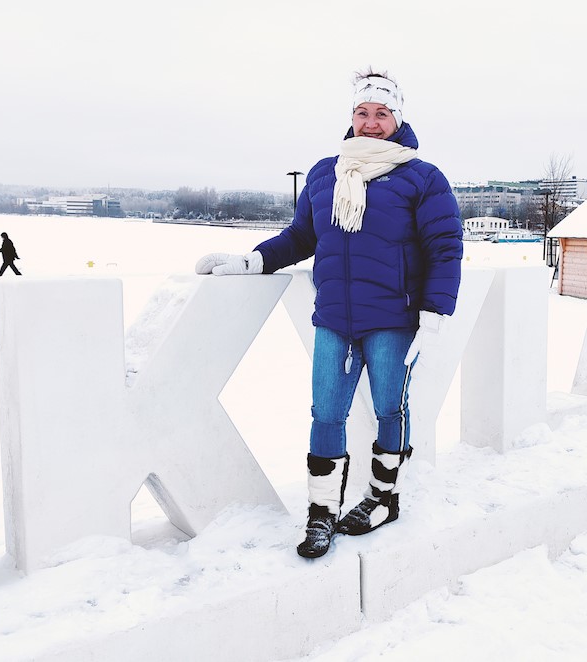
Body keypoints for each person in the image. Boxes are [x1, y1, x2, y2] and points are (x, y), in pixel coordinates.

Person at [196, 68, 463, 559]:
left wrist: (434, 310)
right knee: (326, 413)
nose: (371, 122)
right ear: (351, 118)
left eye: (382, 113)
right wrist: (253, 260)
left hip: (394, 318)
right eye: (362, 112)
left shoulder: (421, 177)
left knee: (389, 409)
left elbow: (444, 246)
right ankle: (322, 513)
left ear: (398, 119)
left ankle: (382, 499)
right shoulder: (326, 172)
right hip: (335, 318)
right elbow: (302, 236)